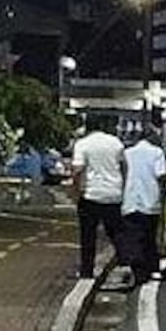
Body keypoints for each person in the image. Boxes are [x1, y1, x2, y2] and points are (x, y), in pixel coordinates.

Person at [71, 115, 125, 279]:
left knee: (88, 236)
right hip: (113, 195)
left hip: (91, 195)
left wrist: (76, 192)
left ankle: (87, 271)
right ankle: (127, 263)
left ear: (87, 128)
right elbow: (124, 166)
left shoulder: (82, 144)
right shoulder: (116, 143)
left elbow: (78, 171)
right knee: (117, 233)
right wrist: (122, 186)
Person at [121, 126, 166, 285]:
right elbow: (160, 174)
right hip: (150, 199)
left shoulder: (127, 153)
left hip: (131, 198)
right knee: (149, 237)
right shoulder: (157, 153)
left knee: (133, 236)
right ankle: (151, 268)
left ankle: (137, 268)